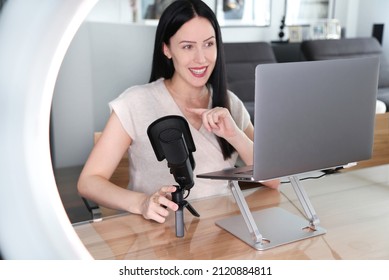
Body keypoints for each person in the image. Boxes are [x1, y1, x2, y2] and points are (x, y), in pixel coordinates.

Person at [77, 0, 279, 224]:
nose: (201, 58)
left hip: (221, 232)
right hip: (156, 236)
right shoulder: (136, 102)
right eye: (187, 46)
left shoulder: (230, 104)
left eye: (209, 44)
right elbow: (89, 181)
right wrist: (141, 203)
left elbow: (274, 181)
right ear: (167, 49)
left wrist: (235, 135)